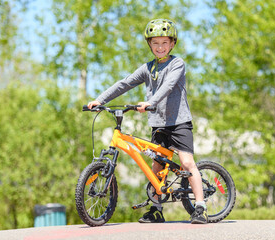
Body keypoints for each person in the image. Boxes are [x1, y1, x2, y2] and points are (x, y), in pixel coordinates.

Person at [87, 19, 208, 224]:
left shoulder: (177, 64)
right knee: (157, 167)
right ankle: (156, 209)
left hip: (179, 122)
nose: (160, 47)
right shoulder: (147, 68)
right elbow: (124, 83)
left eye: (164, 43)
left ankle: (200, 207)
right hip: (158, 124)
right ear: (149, 45)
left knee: (187, 163)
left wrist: (150, 102)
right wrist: (100, 100)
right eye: (155, 43)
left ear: (172, 44)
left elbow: (168, 86)